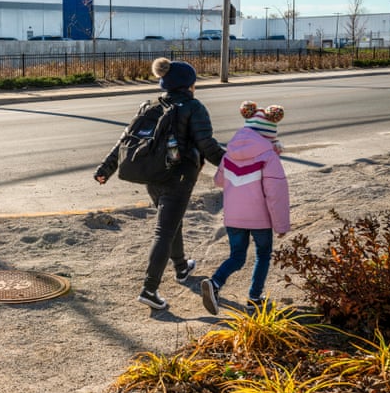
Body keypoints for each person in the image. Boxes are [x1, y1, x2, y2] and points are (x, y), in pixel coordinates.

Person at [94, 57, 226, 310]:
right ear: (189, 84)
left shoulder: (151, 106)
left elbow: (125, 141)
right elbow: (207, 146)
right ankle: (149, 289)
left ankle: (181, 268)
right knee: (164, 231)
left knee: (171, 222)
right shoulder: (193, 107)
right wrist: (235, 166)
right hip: (179, 177)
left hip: (152, 176)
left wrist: (105, 169)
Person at [200, 101, 290, 315]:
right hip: (260, 218)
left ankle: (214, 283)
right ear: (269, 135)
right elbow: (275, 195)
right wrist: (281, 225)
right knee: (263, 254)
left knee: (237, 256)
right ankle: (255, 299)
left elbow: (219, 181)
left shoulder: (229, 154)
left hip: (234, 216)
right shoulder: (268, 157)